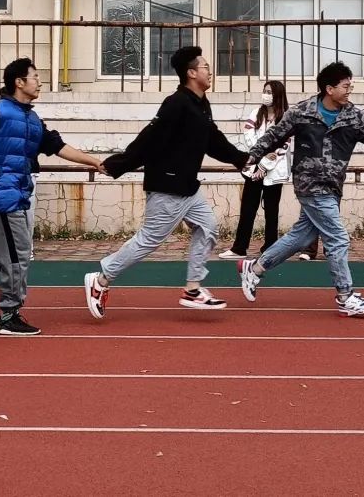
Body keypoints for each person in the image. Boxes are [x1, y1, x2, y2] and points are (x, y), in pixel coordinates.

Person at [238, 62, 364, 317]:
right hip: (310, 184)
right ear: (329, 89)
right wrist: (252, 156)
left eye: (350, 86)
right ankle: (345, 296)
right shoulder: (302, 112)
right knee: (338, 238)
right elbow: (274, 136)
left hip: (333, 185)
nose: (349, 91)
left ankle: (255, 268)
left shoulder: (352, 116)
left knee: (302, 236)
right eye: (345, 86)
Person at [0, 59, 104, 335]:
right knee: (18, 256)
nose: (39, 82)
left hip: (16, 193)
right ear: (19, 82)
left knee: (8, 254)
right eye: (35, 77)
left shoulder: (32, 119)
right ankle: (8, 315)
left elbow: (58, 146)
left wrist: (95, 162)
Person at [84, 46, 249, 318]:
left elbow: (213, 140)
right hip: (167, 185)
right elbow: (150, 138)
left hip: (187, 187)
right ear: (191, 73)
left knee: (207, 228)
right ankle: (101, 279)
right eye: (205, 67)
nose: (210, 71)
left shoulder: (200, 103)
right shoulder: (176, 103)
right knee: (149, 240)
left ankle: (193, 289)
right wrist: (117, 165)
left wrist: (242, 159)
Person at [219, 80, 290, 260]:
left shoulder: (286, 118)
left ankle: (270, 248)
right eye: (265, 91)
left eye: (270, 92)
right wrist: (261, 157)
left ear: (278, 95)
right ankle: (239, 248)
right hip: (253, 169)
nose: (266, 95)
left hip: (274, 172)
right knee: (248, 208)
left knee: (271, 211)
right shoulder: (256, 114)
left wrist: (266, 165)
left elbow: (284, 146)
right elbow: (249, 136)